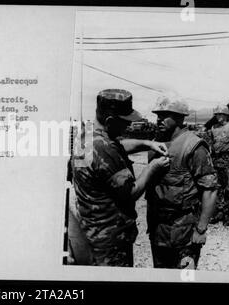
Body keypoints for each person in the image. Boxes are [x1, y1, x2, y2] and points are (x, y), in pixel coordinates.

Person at [70, 89, 169, 267]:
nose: (128, 127)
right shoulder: (105, 149)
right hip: (111, 242)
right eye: (124, 123)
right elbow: (130, 192)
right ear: (110, 121)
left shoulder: (88, 136)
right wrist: (151, 168)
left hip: (92, 233)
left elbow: (118, 145)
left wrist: (147, 143)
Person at [146, 95, 218, 269]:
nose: (159, 119)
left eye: (165, 115)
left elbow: (210, 189)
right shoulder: (156, 144)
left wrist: (201, 229)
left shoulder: (194, 146)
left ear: (179, 117)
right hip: (158, 230)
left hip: (183, 233)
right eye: (158, 115)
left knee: (185, 278)